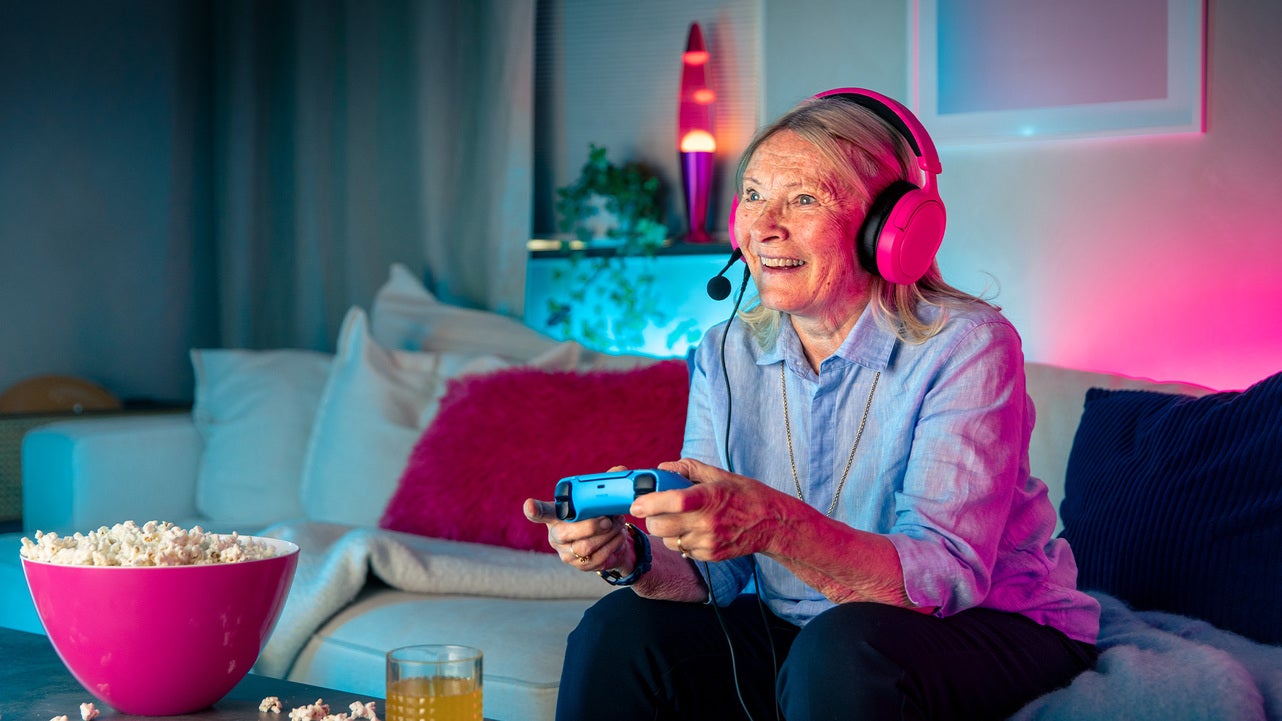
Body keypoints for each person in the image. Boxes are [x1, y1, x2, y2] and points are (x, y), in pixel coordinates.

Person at [524, 88, 1101, 721]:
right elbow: (717, 575)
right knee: (621, 630)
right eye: (752, 194)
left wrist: (772, 522)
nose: (764, 225)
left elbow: (945, 577)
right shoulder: (727, 350)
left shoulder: (966, 346)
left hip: (991, 629)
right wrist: (632, 556)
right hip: (817, 636)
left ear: (891, 229)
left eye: (804, 199)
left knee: (843, 650)